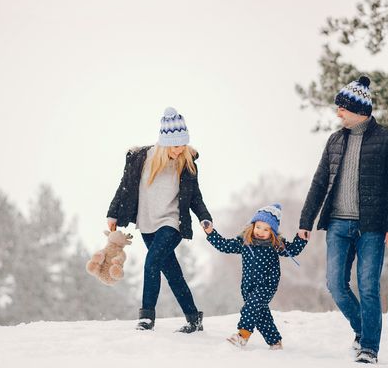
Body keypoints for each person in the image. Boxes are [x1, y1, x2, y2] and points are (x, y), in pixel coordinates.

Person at [298, 76, 388, 364]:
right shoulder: (335, 140)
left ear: (359, 110)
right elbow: (320, 181)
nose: (338, 113)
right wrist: (305, 221)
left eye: (341, 108)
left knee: (368, 287)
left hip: (372, 227)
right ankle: (363, 330)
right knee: (336, 284)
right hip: (337, 224)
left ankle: (369, 348)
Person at [107, 107, 212, 333]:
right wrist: (112, 213)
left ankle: (146, 317)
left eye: (183, 144)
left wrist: (204, 218)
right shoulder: (140, 159)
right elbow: (124, 188)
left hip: (172, 222)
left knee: (152, 262)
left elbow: (195, 197)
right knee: (172, 272)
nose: (180, 149)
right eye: (176, 145)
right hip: (147, 224)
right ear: (164, 143)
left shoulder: (187, 162)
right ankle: (194, 319)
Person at [202, 204, 307, 349]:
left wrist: (301, 238)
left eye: (266, 229)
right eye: (258, 227)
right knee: (261, 315)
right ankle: (275, 342)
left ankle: (242, 335)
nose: (261, 232)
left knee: (251, 307)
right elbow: (224, 245)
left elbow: (293, 250)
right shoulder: (244, 242)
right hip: (248, 286)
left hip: (267, 285)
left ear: (273, 232)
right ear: (253, 225)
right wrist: (210, 232)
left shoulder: (275, 244)